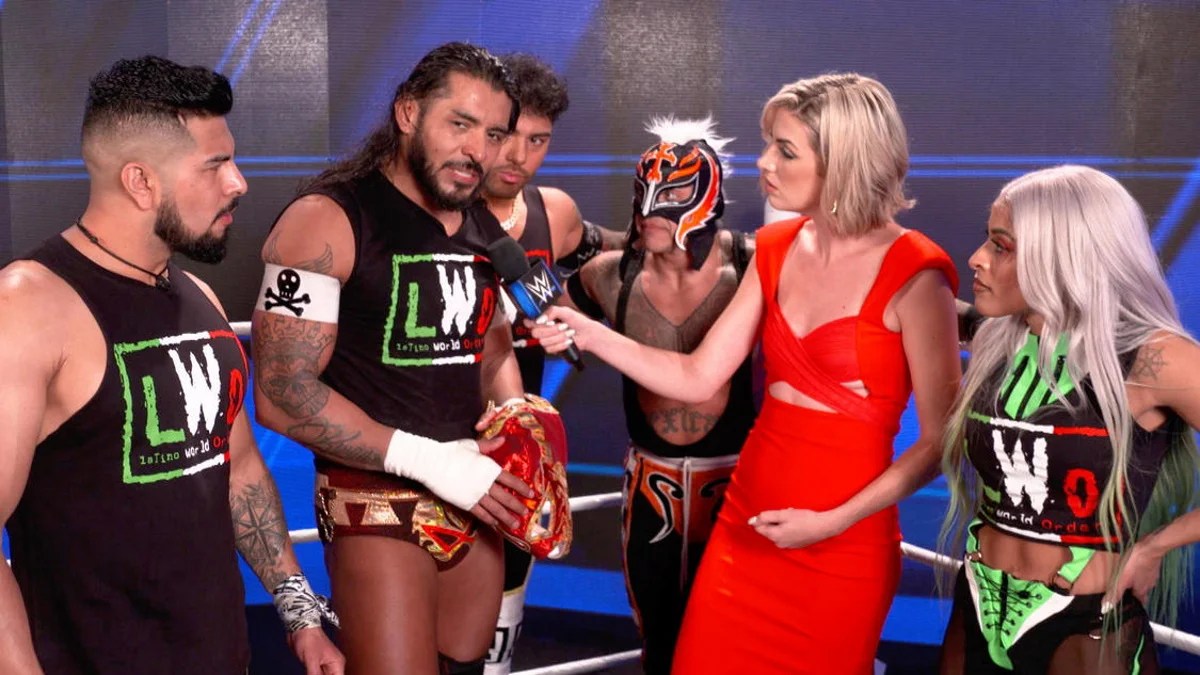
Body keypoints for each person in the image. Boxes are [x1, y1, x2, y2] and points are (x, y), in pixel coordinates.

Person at [532, 73, 962, 674]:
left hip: (843, 544)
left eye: (785, 150)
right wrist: (589, 331)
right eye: (768, 145)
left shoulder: (917, 271)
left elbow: (941, 441)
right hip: (744, 526)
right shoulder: (776, 247)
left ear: (843, 159)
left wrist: (831, 522)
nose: (763, 163)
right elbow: (696, 377)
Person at [0, 56, 342, 674]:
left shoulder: (198, 296)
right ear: (141, 181)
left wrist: (299, 614)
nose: (238, 183)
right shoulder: (28, 305)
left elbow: (239, 470)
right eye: (214, 165)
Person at [252, 42, 535, 675]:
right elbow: (281, 394)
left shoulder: (484, 230)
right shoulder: (325, 221)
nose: (477, 151)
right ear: (408, 113)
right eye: (459, 124)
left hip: (473, 496)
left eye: (493, 134)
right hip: (373, 505)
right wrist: (427, 460)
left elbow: (491, 353)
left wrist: (520, 424)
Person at [937, 165, 1200, 674]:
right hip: (977, 602)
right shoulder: (998, 339)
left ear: (1065, 255)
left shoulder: (1152, 358)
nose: (977, 258)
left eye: (1001, 246)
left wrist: (1156, 546)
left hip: (1084, 619)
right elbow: (925, 300)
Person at [561, 115, 755, 674]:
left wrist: (963, 320)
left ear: (705, 198)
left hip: (737, 482)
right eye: (643, 192)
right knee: (660, 643)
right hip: (652, 487)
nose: (649, 210)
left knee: (735, 643)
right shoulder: (609, 275)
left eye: (669, 196)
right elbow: (541, 316)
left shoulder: (752, 266)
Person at [476, 53, 620, 674]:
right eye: (505, 135)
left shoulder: (551, 211)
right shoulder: (428, 210)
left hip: (518, 451)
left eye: (537, 140)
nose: (518, 156)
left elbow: (608, 259)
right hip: (429, 442)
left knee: (502, 616)